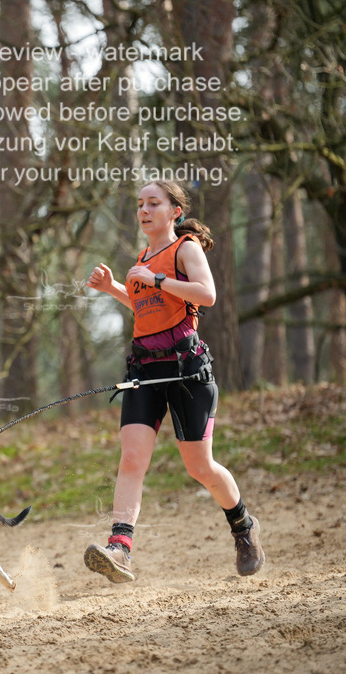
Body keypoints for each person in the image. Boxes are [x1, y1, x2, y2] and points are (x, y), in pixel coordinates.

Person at [83, 180, 264, 583]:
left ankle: (243, 528)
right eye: (140, 205)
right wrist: (114, 287)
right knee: (132, 459)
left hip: (187, 370)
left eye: (154, 203)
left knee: (200, 467)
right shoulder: (143, 257)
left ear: (174, 211)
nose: (144, 210)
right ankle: (120, 548)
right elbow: (149, 307)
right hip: (145, 370)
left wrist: (156, 279)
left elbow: (206, 294)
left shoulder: (184, 249)